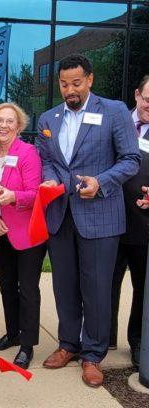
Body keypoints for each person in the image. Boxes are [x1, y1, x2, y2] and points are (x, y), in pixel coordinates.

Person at [37, 54, 140, 387]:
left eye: (76, 83)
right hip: (60, 215)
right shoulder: (47, 118)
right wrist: (51, 180)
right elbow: (48, 160)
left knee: (96, 288)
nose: (70, 90)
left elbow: (130, 160)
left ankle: (93, 354)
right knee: (64, 285)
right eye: (64, 84)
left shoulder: (114, 112)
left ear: (90, 80)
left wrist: (101, 183)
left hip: (100, 214)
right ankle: (69, 343)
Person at [0, 103, 46, 370]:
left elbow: (35, 193)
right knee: (7, 287)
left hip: (27, 234)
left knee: (28, 290)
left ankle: (27, 345)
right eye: (0, 120)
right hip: (1, 232)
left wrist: (13, 198)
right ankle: (12, 333)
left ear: (19, 126)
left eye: (10, 121)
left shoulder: (28, 152)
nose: (4, 125)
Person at [109, 74, 149, 368]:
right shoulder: (115, 121)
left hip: (143, 226)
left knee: (142, 288)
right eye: (148, 99)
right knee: (105, 284)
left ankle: (137, 341)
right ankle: (103, 335)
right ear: (137, 94)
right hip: (108, 220)